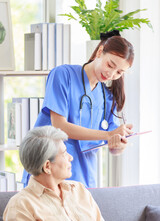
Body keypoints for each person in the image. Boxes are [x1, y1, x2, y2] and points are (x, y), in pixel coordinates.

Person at [22, 30, 134, 188]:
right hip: (50, 170)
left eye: (119, 72)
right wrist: (109, 135)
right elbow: (59, 126)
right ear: (100, 51)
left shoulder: (107, 97)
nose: (111, 74)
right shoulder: (63, 75)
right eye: (110, 65)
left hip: (84, 176)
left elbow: (113, 146)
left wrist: (118, 143)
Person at [3, 126, 116, 221]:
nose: (70, 157)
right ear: (47, 166)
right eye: (64, 153)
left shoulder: (79, 189)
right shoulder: (21, 205)